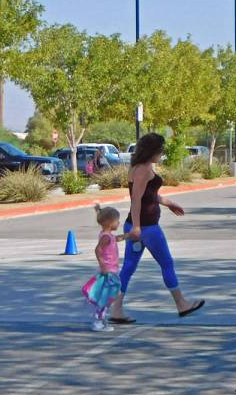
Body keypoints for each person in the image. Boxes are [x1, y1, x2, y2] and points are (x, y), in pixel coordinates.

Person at [109, 133, 204, 324]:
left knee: (128, 267)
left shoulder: (138, 167)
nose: (161, 153)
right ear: (152, 150)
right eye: (160, 150)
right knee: (166, 263)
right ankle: (181, 304)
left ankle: (116, 309)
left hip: (138, 225)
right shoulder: (144, 169)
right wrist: (136, 227)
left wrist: (169, 203)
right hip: (147, 228)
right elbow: (136, 199)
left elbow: (149, 195)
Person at [83, 204, 125, 332]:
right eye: (117, 220)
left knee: (109, 296)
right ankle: (98, 321)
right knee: (106, 297)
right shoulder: (106, 237)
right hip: (108, 272)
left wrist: (128, 236)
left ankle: (100, 320)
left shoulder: (107, 235)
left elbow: (115, 239)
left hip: (111, 271)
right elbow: (98, 250)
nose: (119, 223)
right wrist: (103, 266)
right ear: (110, 222)